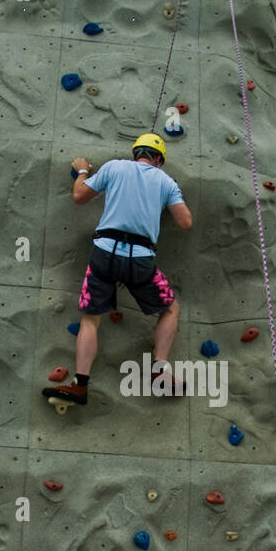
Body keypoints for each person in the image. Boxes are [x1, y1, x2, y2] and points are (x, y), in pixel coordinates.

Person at [42, 133, 192, 407]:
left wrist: (83, 170)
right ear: (159, 159)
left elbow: (79, 196)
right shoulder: (166, 181)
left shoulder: (114, 167)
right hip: (141, 259)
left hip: (104, 253)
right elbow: (185, 222)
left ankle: (80, 385)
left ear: (136, 153)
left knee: (91, 318)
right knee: (170, 309)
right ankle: (159, 369)